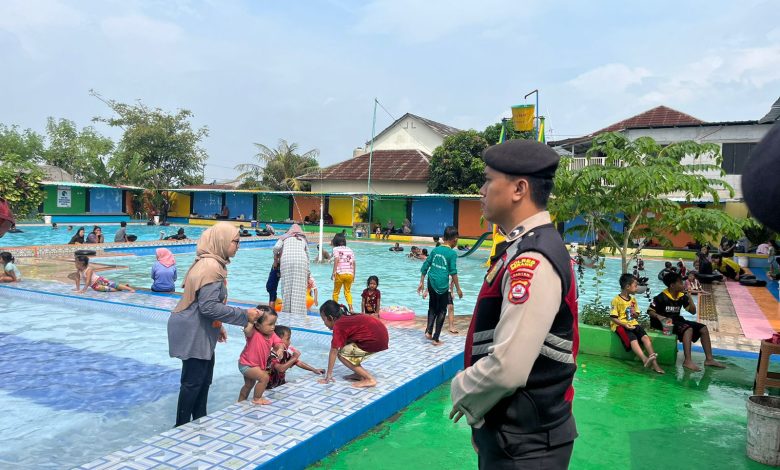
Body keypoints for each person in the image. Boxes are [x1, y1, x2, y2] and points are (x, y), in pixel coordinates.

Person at [450, 139, 579, 468]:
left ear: (519, 189)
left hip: (526, 445)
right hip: (515, 436)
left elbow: (507, 369)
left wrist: (461, 389)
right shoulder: (523, 246)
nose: (481, 191)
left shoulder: (532, 258)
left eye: (488, 180)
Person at [167, 222, 262, 426]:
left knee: (203, 379)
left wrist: (218, 325)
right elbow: (208, 307)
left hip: (198, 326)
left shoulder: (211, 263)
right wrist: (244, 315)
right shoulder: (210, 266)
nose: (238, 246)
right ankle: (181, 426)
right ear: (222, 241)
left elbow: (206, 304)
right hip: (193, 328)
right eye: (235, 241)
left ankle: (198, 421)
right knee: (193, 381)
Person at [648, 271, 725, 371]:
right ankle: (687, 361)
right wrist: (659, 317)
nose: (683, 284)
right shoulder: (661, 297)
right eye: (680, 283)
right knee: (688, 329)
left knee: (703, 328)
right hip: (662, 323)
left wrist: (689, 297)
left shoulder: (681, 296)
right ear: (672, 285)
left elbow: (693, 312)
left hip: (676, 320)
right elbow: (650, 311)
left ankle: (709, 359)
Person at [317, 300, 389, 388]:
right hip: (381, 335)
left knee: (342, 355)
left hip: (375, 340)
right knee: (347, 347)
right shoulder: (345, 316)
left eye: (324, 320)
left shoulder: (339, 325)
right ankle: (358, 374)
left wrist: (328, 375)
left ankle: (370, 379)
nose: (324, 324)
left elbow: (334, 350)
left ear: (331, 318)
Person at [610, 274, 664, 374]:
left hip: (633, 323)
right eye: (635, 286)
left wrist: (635, 314)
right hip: (621, 325)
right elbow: (613, 318)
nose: (637, 288)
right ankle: (644, 359)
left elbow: (636, 315)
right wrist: (624, 325)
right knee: (633, 339)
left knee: (645, 338)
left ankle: (655, 364)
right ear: (627, 286)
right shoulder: (616, 300)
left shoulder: (633, 300)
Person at [418, 226, 462, 346]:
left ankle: (429, 332)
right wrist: (458, 288)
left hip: (431, 282)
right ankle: (436, 339)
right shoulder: (452, 253)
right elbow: (453, 272)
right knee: (442, 310)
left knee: (432, 307)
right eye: (457, 239)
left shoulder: (435, 250)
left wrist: (421, 282)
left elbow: (425, 265)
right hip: (442, 285)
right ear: (454, 239)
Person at [237, 306, 283, 405]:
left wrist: (280, 349)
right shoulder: (253, 332)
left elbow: (279, 343)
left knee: (249, 385)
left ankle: (240, 402)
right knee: (264, 377)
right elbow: (247, 331)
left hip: (254, 365)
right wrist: (251, 321)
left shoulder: (272, 334)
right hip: (247, 365)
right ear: (257, 325)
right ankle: (257, 398)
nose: (273, 327)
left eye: (274, 323)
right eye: (270, 324)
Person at [273, 224, 310, 315]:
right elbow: (308, 255)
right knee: (299, 288)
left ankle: (286, 312)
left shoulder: (284, 237)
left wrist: (276, 257)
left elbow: (276, 247)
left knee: (286, 286)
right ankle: (299, 314)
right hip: (301, 261)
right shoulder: (303, 238)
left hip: (286, 261)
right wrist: (308, 273)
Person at [331, 234, 355, 311]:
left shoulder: (335, 249)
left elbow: (337, 259)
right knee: (347, 292)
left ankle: (335, 309)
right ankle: (351, 308)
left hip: (340, 273)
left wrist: (333, 272)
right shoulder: (350, 249)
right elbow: (354, 262)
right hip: (350, 274)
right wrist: (353, 274)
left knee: (336, 292)